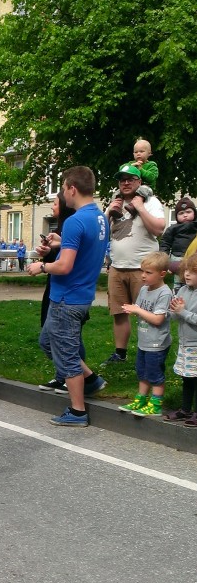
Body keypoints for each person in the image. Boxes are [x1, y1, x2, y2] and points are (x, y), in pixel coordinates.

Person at [28, 166, 109, 427]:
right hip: (81, 295)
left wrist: (40, 267)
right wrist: (60, 242)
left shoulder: (75, 220)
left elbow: (63, 267)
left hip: (67, 298)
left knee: (67, 354)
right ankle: (92, 381)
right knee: (47, 343)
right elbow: (85, 247)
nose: (63, 194)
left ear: (72, 189)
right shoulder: (99, 217)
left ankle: (77, 412)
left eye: (63, 188)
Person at [103, 162, 165, 364]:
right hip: (117, 267)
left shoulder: (150, 201)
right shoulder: (115, 203)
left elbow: (159, 229)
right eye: (122, 180)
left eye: (130, 179)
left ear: (139, 181)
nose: (126, 183)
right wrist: (107, 214)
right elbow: (101, 234)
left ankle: (150, 353)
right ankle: (120, 354)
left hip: (143, 269)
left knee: (147, 315)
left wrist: (139, 207)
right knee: (119, 313)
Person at [118, 252, 172, 417]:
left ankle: (156, 404)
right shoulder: (144, 289)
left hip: (157, 343)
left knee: (155, 374)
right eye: (142, 271)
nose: (143, 275)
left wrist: (137, 310)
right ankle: (141, 399)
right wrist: (133, 308)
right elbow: (139, 308)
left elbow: (157, 319)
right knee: (142, 371)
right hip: (144, 341)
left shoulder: (164, 293)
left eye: (148, 273)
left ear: (162, 274)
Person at [164, 253, 197, 427]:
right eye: (186, 271)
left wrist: (182, 312)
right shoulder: (184, 290)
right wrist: (172, 311)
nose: (187, 275)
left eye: (193, 272)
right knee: (187, 377)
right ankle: (185, 409)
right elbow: (178, 315)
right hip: (185, 344)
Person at [159, 196, 197, 291]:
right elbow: (165, 243)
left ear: (194, 213)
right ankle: (177, 292)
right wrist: (164, 259)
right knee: (179, 279)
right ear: (176, 216)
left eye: (188, 212)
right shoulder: (173, 229)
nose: (185, 215)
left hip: (194, 257)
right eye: (181, 213)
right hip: (177, 258)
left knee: (192, 278)